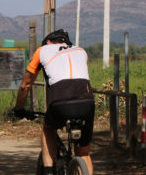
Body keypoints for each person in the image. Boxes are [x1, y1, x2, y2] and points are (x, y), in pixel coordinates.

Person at [13, 29, 95, 175]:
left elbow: (25, 86)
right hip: (87, 103)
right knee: (83, 153)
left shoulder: (42, 50)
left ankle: (49, 170)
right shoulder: (81, 51)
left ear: (49, 42)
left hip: (60, 104)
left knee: (48, 128)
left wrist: (19, 108)